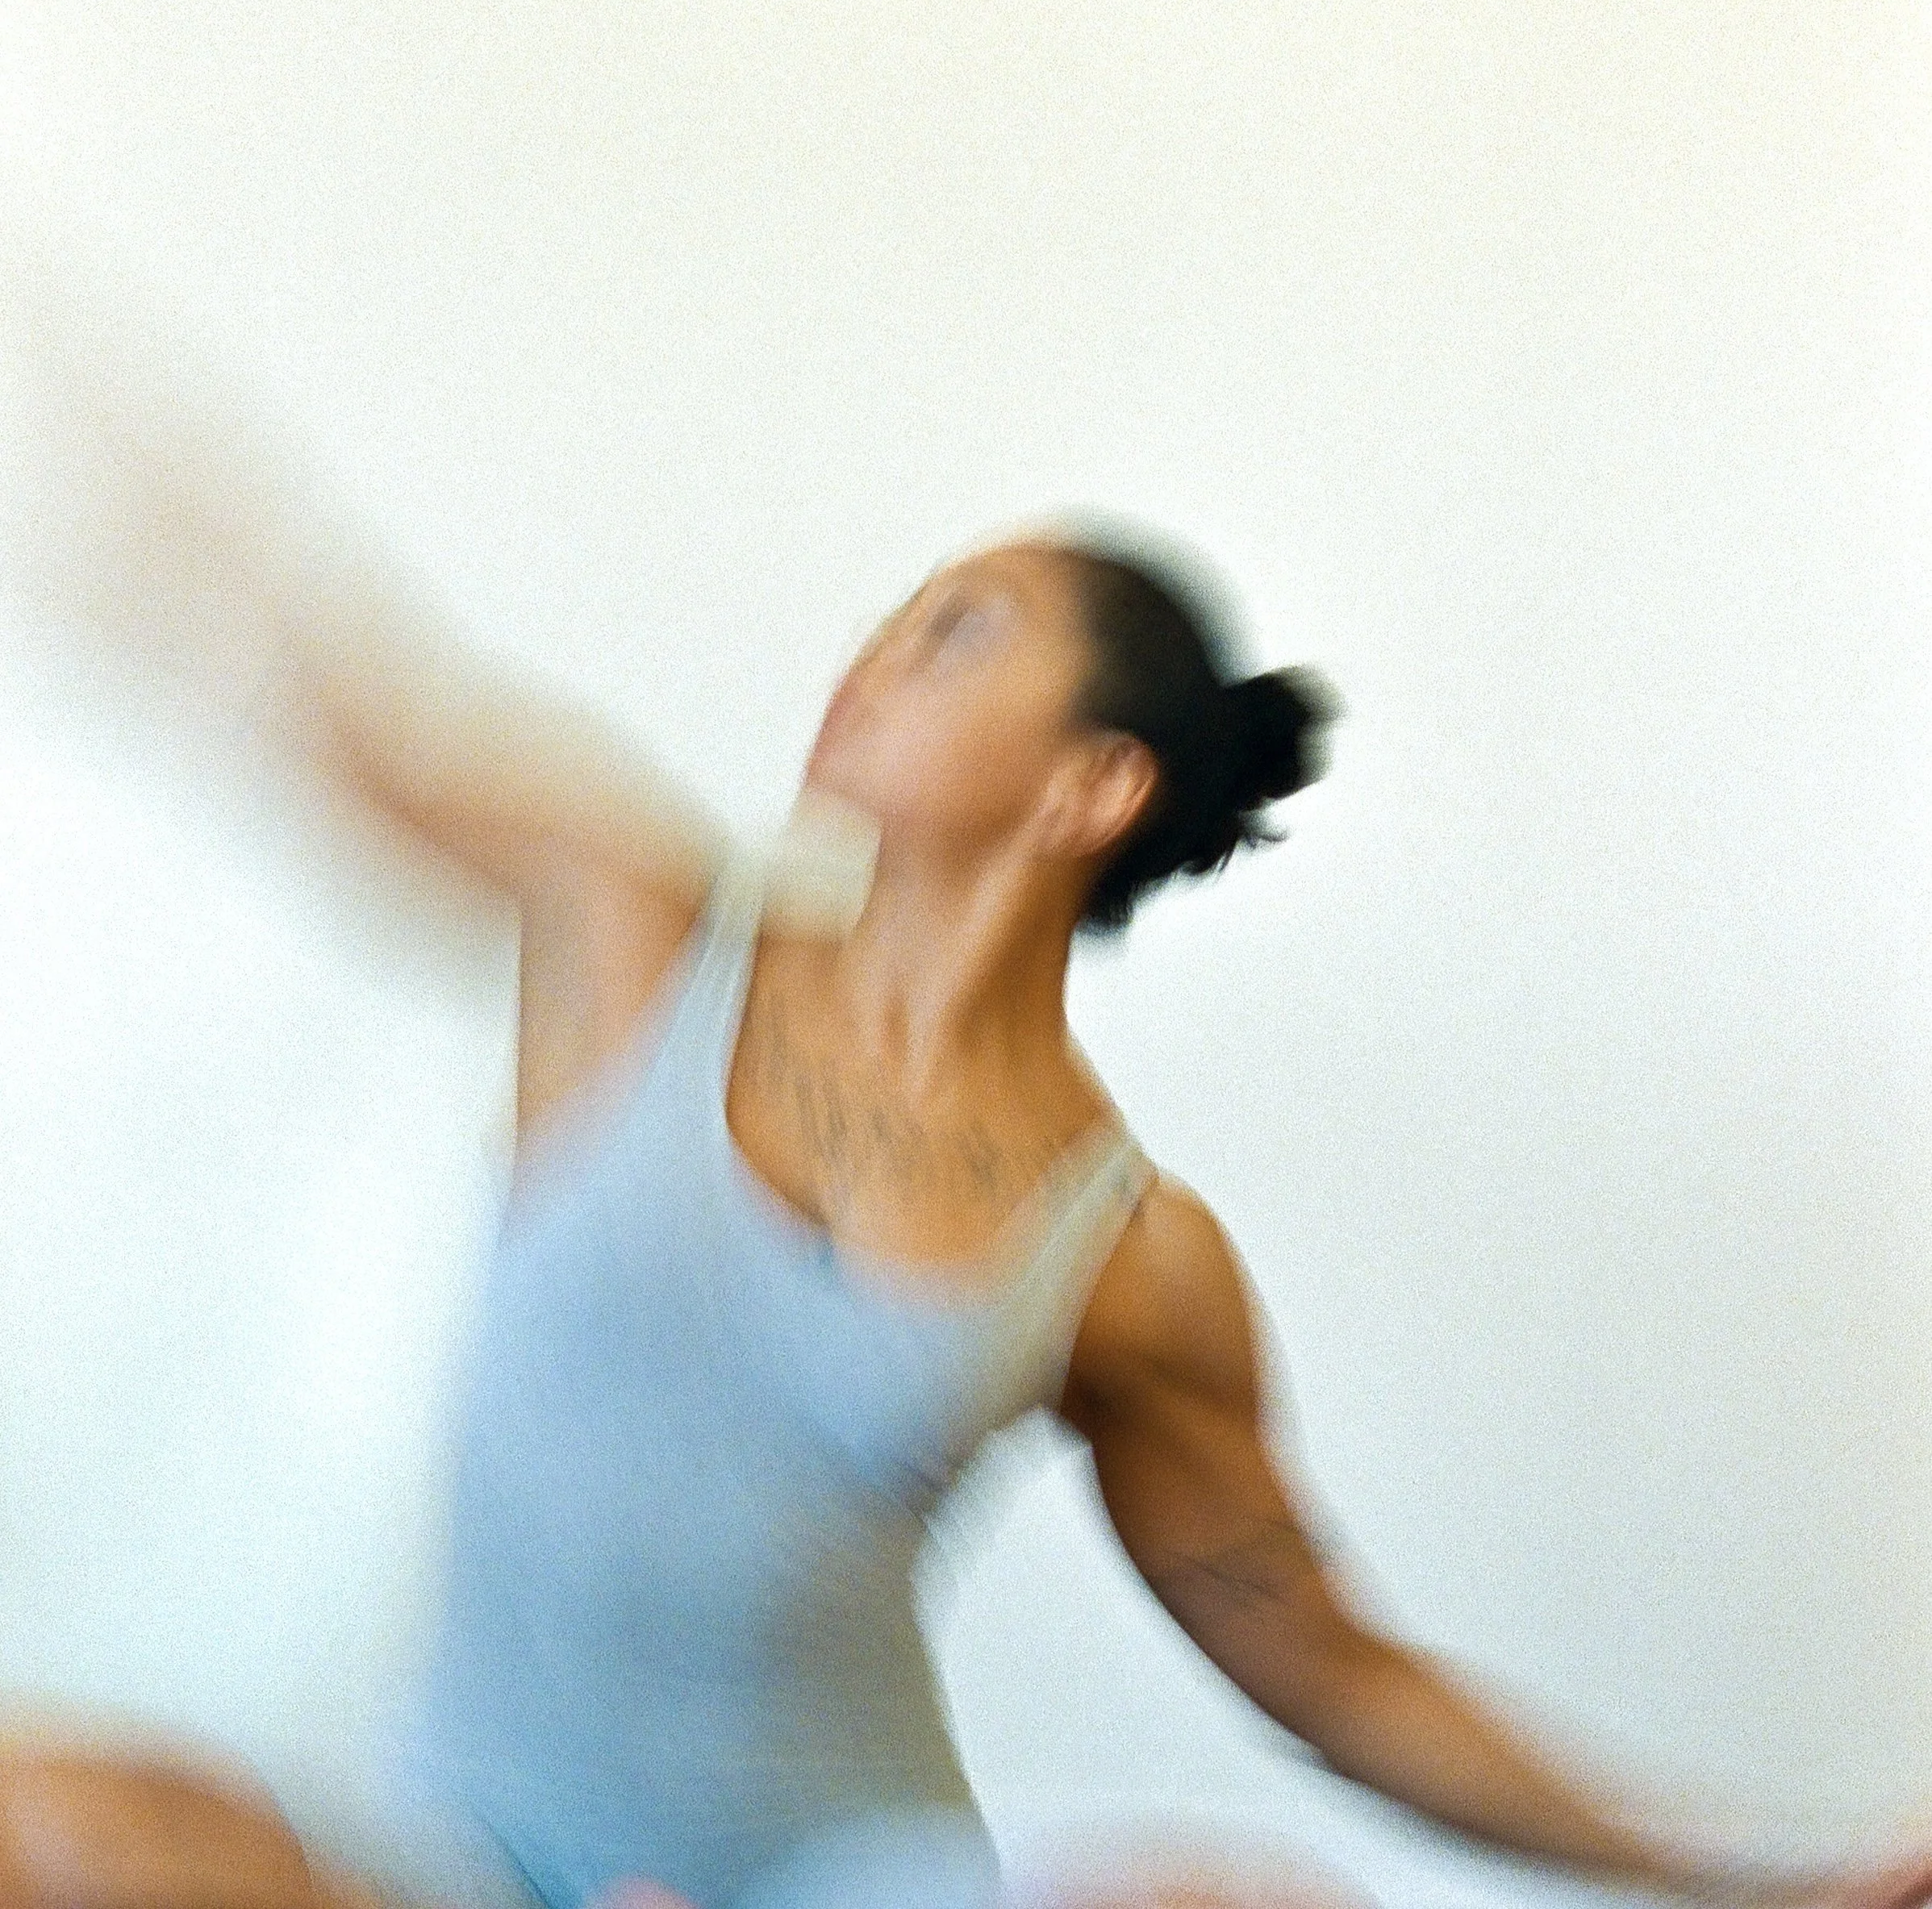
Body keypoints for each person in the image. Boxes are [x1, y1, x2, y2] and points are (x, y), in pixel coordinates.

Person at [0, 325, 1927, 1909]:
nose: (873, 650)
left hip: (834, 1877)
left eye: (960, 632)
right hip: (450, 1853)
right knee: (44, 1813)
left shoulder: (1124, 1254)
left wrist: (1763, 1868)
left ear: (1096, 781)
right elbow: (363, 717)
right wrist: (120, 474)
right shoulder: (632, 931)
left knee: (1222, 1907)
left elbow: (1330, 1667)